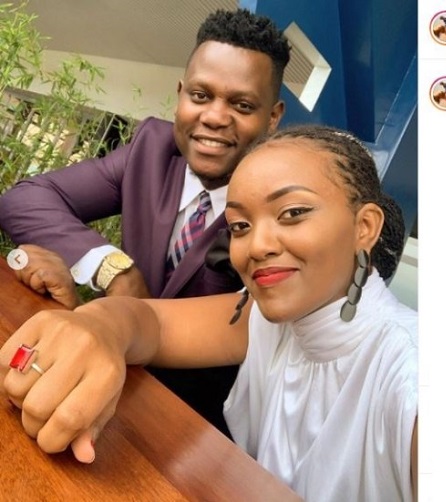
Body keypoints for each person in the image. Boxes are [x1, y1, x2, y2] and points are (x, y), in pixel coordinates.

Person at [0, 125, 418, 501]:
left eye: (292, 213)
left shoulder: (413, 374)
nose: (257, 246)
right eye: (240, 226)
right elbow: (153, 324)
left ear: (364, 227)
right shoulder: (267, 320)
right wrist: (98, 326)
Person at [0, 8, 290, 436]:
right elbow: (24, 200)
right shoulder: (151, 149)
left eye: (242, 105)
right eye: (200, 96)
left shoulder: (285, 205)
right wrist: (112, 268)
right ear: (180, 94)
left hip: (193, 426)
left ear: (273, 117)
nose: (214, 117)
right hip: (94, 381)